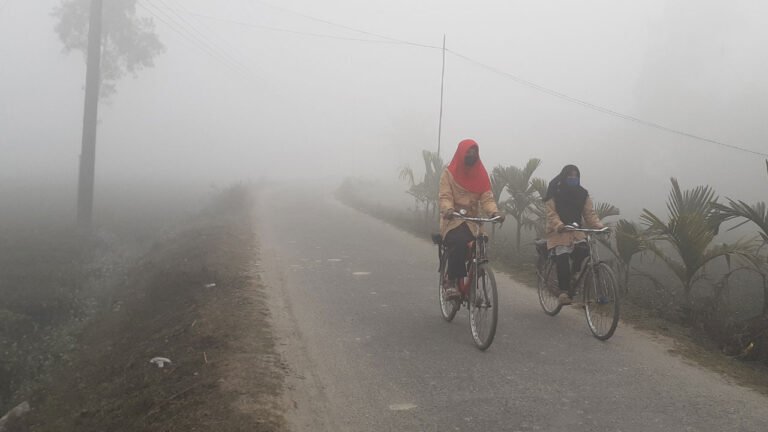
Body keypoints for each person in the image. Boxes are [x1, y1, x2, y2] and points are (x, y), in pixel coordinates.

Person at [438, 139, 504, 298]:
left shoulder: (481, 174)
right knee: (459, 242)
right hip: (453, 220)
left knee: (481, 243)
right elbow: (445, 196)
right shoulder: (449, 174)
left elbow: (487, 198)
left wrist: (494, 213)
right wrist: (448, 209)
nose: (471, 155)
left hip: (472, 223)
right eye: (468, 152)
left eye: (474, 152)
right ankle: (452, 281)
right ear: (461, 153)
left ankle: (475, 275)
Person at [544, 164, 604, 305]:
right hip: (558, 231)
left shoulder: (582, 194)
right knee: (563, 256)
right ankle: (563, 291)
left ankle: (574, 275)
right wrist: (559, 225)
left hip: (576, 231)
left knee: (584, 250)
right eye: (570, 176)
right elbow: (551, 213)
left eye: (575, 176)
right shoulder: (555, 192)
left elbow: (589, 214)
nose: (573, 179)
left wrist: (598, 226)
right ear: (564, 177)